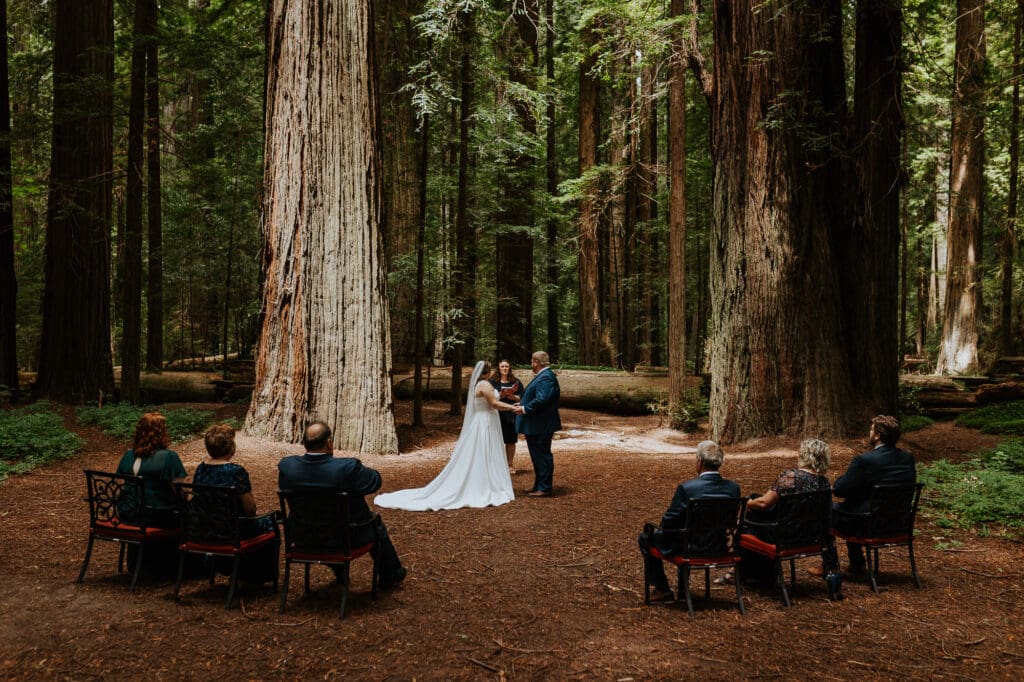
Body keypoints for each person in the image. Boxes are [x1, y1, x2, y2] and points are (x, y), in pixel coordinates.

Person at [278, 421, 407, 589]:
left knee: (323, 517)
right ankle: (391, 574)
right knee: (375, 524)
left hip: (302, 537)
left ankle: (339, 570)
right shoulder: (347, 469)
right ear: (329, 443)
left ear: (305, 444)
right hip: (345, 538)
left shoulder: (288, 468)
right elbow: (375, 481)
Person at [375, 360, 516, 510]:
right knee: (484, 452)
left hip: (486, 420)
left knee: (485, 452)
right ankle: (484, 486)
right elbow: (494, 404)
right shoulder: (485, 385)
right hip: (485, 422)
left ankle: (488, 482)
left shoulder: (479, 385)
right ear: (488, 372)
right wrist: (513, 408)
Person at [637, 440, 740, 603]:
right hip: (721, 545)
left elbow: (670, 521)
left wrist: (663, 528)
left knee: (645, 537)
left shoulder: (688, 488)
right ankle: (682, 590)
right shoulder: (733, 488)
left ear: (699, 462)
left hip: (690, 546)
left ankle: (662, 589)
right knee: (685, 534)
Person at [735, 438, 833, 587]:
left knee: (748, 525)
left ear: (803, 455)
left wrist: (746, 502)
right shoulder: (824, 483)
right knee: (756, 500)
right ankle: (760, 574)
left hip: (783, 536)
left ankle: (756, 575)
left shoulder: (791, 477)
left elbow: (763, 503)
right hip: (811, 535)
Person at [827, 415, 916, 576]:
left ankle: (830, 566)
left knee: (825, 509)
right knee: (853, 504)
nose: (869, 432)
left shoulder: (866, 460)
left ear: (877, 435)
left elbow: (840, 489)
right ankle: (856, 563)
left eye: (871, 429)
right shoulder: (907, 459)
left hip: (868, 523)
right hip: (900, 522)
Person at [192, 423, 279, 584]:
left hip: (204, 528)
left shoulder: (200, 469)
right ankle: (253, 575)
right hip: (232, 531)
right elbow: (250, 509)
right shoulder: (236, 472)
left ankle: (225, 567)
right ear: (230, 447)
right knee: (269, 523)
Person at [115, 412, 187, 576]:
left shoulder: (128, 455)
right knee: (188, 514)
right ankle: (176, 566)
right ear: (161, 433)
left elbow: (121, 484)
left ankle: (141, 564)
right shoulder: (168, 456)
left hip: (128, 513)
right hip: (154, 515)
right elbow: (179, 487)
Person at [512, 351, 561, 497]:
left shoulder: (546, 377)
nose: (531, 364)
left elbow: (542, 399)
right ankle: (539, 485)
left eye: (532, 362)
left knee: (542, 455)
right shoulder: (543, 376)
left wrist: (524, 408)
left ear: (536, 362)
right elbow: (536, 396)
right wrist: (522, 402)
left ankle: (545, 487)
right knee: (536, 455)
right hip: (536, 424)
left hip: (542, 424)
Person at [489, 359, 524, 473]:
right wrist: (500, 394)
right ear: (498, 368)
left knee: (510, 440)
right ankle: (496, 465)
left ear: (509, 368)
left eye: (506, 366)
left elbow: (522, 398)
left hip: (511, 412)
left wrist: (513, 397)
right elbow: (488, 397)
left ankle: (510, 464)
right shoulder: (492, 381)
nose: (504, 368)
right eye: (502, 366)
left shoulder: (516, 382)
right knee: (495, 439)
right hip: (496, 413)